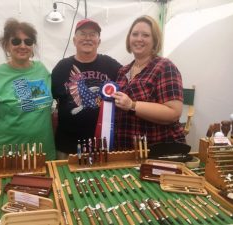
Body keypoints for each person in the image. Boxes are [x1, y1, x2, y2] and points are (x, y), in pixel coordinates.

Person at [0, 18, 55, 160]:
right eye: (16, 41)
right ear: (6, 45)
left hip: (43, 155)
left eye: (28, 41)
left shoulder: (42, 70)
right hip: (7, 159)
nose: (23, 45)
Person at [112, 15, 186, 150]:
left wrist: (132, 105)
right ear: (129, 39)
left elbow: (174, 112)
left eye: (145, 35)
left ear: (154, 40)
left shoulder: (164, 67)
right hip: (125, 150)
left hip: (156, 151)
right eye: (135, 34)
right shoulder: (123, 71)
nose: (139, 39)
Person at [52, 18, 122, 159]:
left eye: (93, 34)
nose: (87, 38)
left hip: (102, 145)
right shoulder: (62, 67)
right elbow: (54, 98)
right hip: (68, 146)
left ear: (99, 41)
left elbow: (129, 84)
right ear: (74, 40)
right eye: (83, 34)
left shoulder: (111, 65)